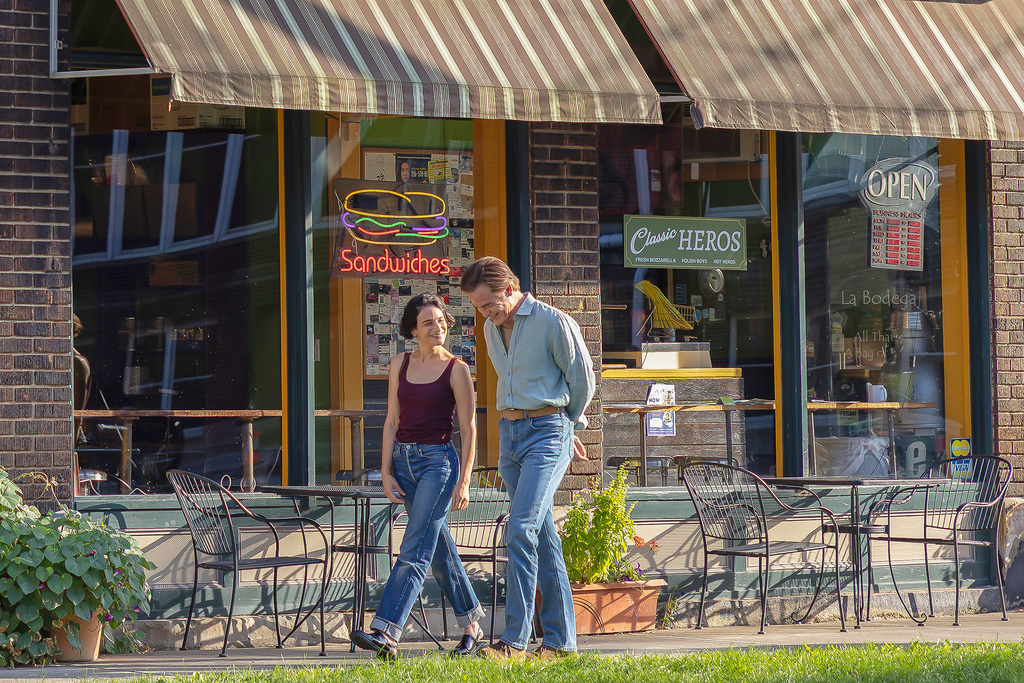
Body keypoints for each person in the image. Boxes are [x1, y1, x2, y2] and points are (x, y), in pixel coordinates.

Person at [460, 256, 596, 660]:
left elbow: (582, 378)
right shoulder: (489, 328)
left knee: (519, 529)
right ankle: (560, 643)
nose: (484, 313)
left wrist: (569, 427)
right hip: (511, 435)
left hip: (549, 432)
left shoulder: (553, 322)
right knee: (542, 535)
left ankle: (513, 642)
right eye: (479, 307)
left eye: (489, 303)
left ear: (509, 288)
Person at [350, 293, 485, 660]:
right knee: (437, 548)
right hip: (404, 462)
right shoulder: (399, 363)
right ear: (413, 329)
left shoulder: (457, 369)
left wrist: (466, 480)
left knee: (413, 549)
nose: (437, 327)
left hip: (438, 465)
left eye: (441, 321)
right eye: (428, 322)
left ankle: (386, 632)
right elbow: (391, 420)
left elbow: (469, 427)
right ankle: (472, 623)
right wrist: (385, 468)